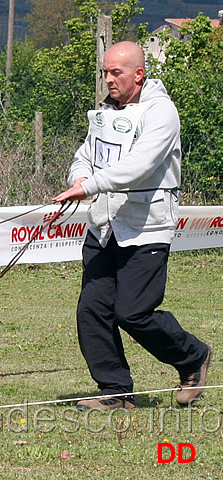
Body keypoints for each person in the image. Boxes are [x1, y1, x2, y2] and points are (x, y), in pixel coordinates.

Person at [52, 41, 212, 410]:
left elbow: (140, 164)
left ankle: (193, 357)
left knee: (133, 312)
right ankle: (116, 392)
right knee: (92, 310)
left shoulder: (161, 113)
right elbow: (85, 156)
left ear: (138, 74)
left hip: (146, 229)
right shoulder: (107, 112)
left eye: (116, 73)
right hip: (103, 227)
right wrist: (80, 178)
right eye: (105, 72)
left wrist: (89, 186)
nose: (108, 80)